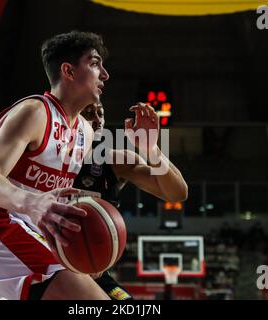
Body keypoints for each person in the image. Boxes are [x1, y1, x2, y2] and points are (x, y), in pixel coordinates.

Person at [0, 31, 111, 300]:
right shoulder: (34, 112)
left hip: (24, 234)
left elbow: (54, 200)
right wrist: (31, 202)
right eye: (94, 63)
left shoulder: (86, 131)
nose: (104, 74)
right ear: (68, 71)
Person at [74, 101, 188, 300]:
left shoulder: (114, 161)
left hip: (95, 272)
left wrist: (151, 149)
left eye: (100, 113)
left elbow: (178, 193)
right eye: (88, 113)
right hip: (51, 266)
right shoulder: (48, 158)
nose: (97, 120)